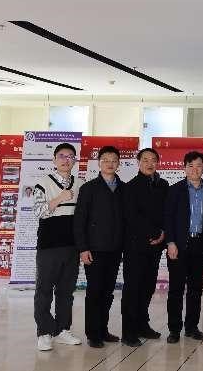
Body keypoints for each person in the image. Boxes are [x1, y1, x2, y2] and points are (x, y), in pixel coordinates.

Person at [32, 142, 82, 352]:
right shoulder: (43, 183)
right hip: (49, 246)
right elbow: (39, 212)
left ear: (74, 161)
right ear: (54, 160)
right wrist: (60, 198)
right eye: (61, 156)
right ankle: (44, 332)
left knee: (66, 291)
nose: (65, 160)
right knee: (44, 290)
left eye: (70, 156)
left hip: (72, 246)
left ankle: (62, 330)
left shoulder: (80, 184)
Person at [73, 146, 125, 348]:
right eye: (106, 160)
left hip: (115, 248)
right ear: (99, 163)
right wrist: (83, 248)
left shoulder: (123, 188)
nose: (110, 164)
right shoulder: (89, 188)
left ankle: (103, 329)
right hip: (94, 248)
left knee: (108, 291)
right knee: (95, 291)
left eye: (114, 160)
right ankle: (93, 333)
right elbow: (80, 221)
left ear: (118, 163)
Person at [164, 151, 203, 343]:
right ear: (184, 167)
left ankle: (192, 327)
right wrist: (170, 242)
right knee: (176, 289)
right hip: (178, 245)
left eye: (199, 165)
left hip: (200, 245)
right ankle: (174, 330)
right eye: (191, 165)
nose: (195, 169)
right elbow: (168, 218)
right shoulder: (175, 190)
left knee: (195, 289)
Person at [121, 147, 168, 346]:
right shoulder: (130, 187)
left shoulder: (163, 184)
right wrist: (153, 233)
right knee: (133, 289)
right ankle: (128, 332)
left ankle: (142, 324)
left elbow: (166, 212)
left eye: (153, 160)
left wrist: (163, 234)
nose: (150, 163)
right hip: (135, 246)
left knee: (148, 287)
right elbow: (131, 217)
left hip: (155, 246)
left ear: (158, 162)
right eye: (145, 160)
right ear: (138, 163)